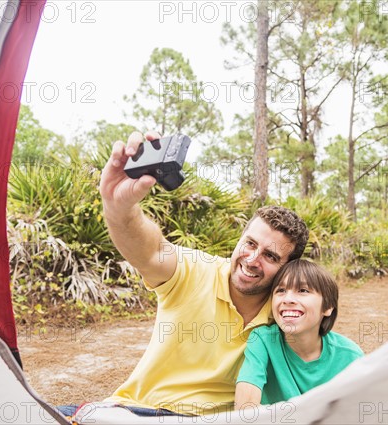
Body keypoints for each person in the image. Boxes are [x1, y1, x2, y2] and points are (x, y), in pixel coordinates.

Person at [59, 131, 309, 418]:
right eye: (250, 244)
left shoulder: (286, 312)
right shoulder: (195, 269)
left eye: (270, 256)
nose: (252, 260)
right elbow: (151, 251)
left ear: (287, 268)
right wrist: (120, 208)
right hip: (135, 411)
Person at [235, 259, 364, 409]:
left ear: (328, 307)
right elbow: (244, 409)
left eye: (303, 290)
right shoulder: (263, 340)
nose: (288, 299)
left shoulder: (350, 356)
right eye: (281, 290)